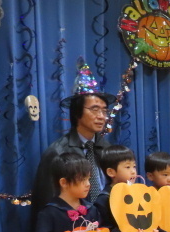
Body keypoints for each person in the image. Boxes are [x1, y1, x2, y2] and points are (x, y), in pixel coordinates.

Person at [32, 60, 116, 214]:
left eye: (104, 111)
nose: (102, 117)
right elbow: (46, 203)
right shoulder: (58, 152)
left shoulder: (107, 149)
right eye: (95, 110)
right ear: (77, 112)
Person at [94, 145, 154, 232]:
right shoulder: (105, 198)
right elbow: (104, 231)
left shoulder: (139, 194)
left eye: (134, 166)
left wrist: (150, 231)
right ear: (111, 172)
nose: (133, 171)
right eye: (127, 167)